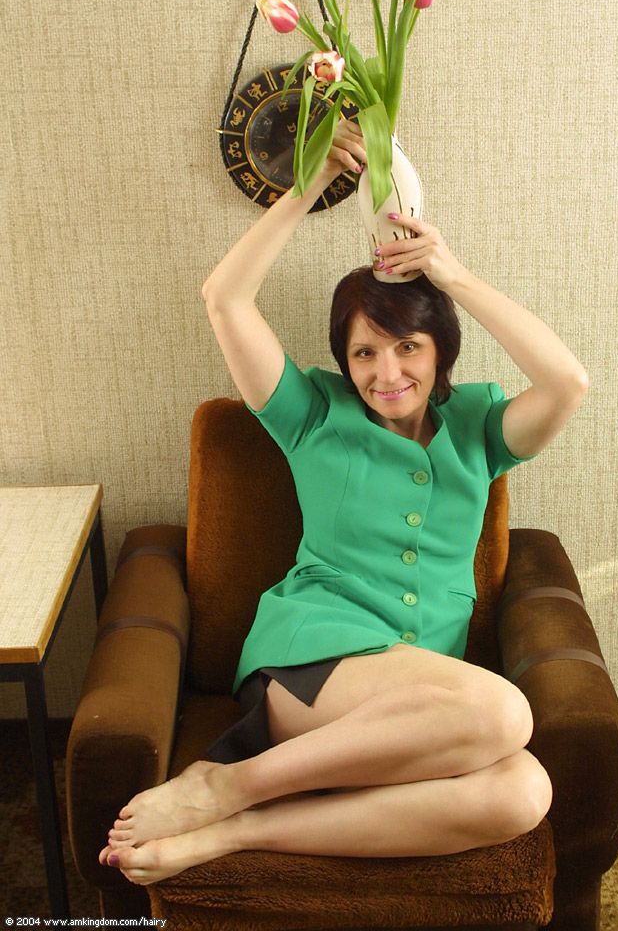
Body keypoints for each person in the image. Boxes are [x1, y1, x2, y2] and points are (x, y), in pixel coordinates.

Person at [99, 118, 588, 885]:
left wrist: (451, 273)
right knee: (504, 714)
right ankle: (227, 784)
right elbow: (225, 300)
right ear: (344, 361)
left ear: (440, 349)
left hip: (422, 703)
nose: (386, 373)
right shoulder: (312, 415)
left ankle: (235, 829)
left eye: (407, 346)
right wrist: (308, 185)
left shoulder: (478, 427)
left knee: (523, 792)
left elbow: (568, 382)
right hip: (312, 663)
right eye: (364, 352)